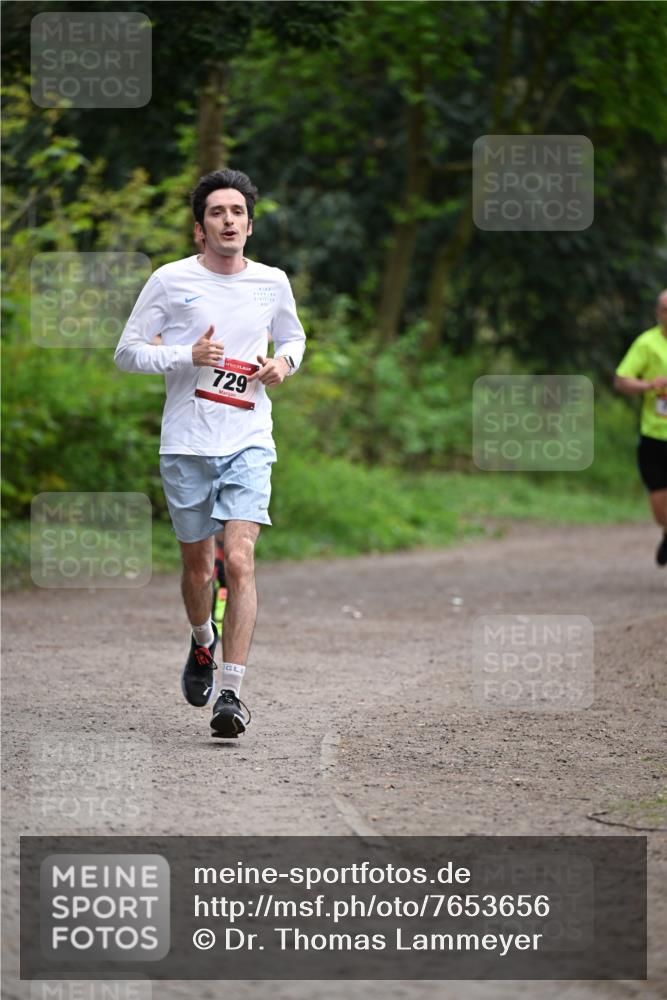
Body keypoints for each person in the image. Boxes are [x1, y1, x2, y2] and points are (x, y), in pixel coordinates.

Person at [115, 168, 306, 736]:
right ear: (201, 229)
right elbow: (126, 353)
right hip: (187, 443)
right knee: (199, 568)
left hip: (248, 439)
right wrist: (185, 355)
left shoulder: (272, 282)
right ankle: (203, 642)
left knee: (240, 560)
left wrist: (284, 364)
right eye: (216, 213)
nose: (228, 221)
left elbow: (293, 338)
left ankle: (231, 693)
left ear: (249, 224)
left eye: (237, 213)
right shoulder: (170, 281)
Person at [614, 289, 667, 567]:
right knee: (660, 507)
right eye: (665, 310)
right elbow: (622, 380)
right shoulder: (646, 344)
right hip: (655, 436)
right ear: (658, 313)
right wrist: (647, 386)